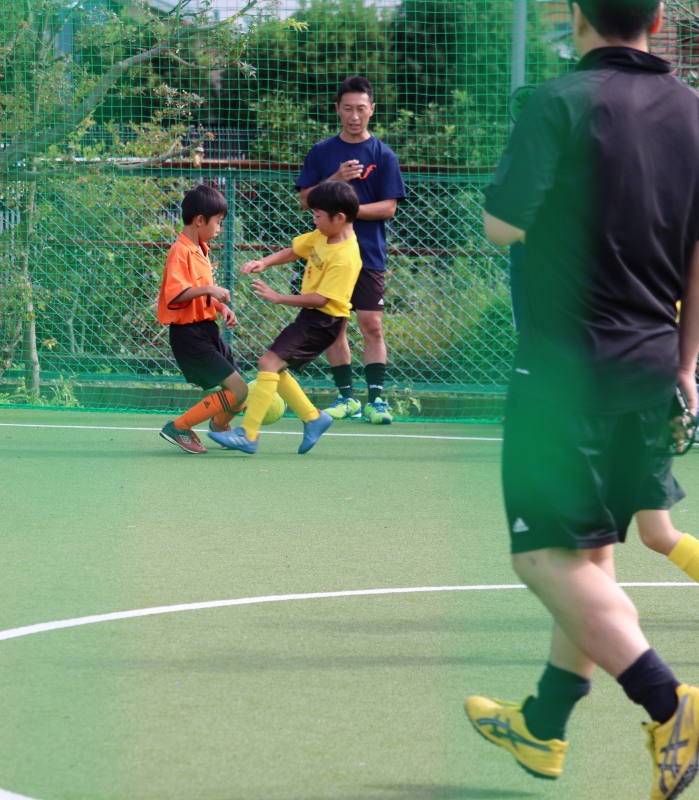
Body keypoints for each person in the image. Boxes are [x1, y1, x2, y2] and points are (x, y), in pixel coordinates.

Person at [462, 2, 699, 798]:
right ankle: (544, 726)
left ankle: (669, 702)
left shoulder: (557, 101)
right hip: (653, 366)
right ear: (658, 16)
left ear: (574, 14)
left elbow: (501, 224)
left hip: (565, 374)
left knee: (541, 557)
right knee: (592, 557)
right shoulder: (692, 111)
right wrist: (688, 363)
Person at [208, 180, 360, 456]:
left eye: (318, 216)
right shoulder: (323, 235)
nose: (314, 221)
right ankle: (313, 418)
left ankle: (248, 434)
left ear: (339, 218)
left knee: (268, 362)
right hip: (311, 317)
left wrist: (279, 297)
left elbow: (321, 299)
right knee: (275, 367)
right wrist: (264, 262)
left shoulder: (346, 257)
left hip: (324, 322)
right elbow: (296, 251)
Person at [295, 75, 406, 425]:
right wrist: (335, 180)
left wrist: (346, 210)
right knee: (334, 326)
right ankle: (346, 398)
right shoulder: (322, 152)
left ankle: (377, 401)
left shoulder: (383, 155)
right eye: (347, 109)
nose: (354, 116)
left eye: (361, 108)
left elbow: (389, 207)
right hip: (329, 256)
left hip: (368, 254)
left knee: (372, 325)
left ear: (372, 109)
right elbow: (305, 200)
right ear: (337, 110)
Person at [157, 184, 247, 454]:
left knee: (240, 395)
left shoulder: (200, 249)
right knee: (239, 390)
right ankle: (178, 427)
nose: (220, 228)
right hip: (189, 335)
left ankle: (219, 428)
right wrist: (210, 289)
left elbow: (198, 292)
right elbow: (175, 295)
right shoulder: (180, 251)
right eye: (217, 222)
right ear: (199, 220)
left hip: (207, 329)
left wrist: (220, 307)